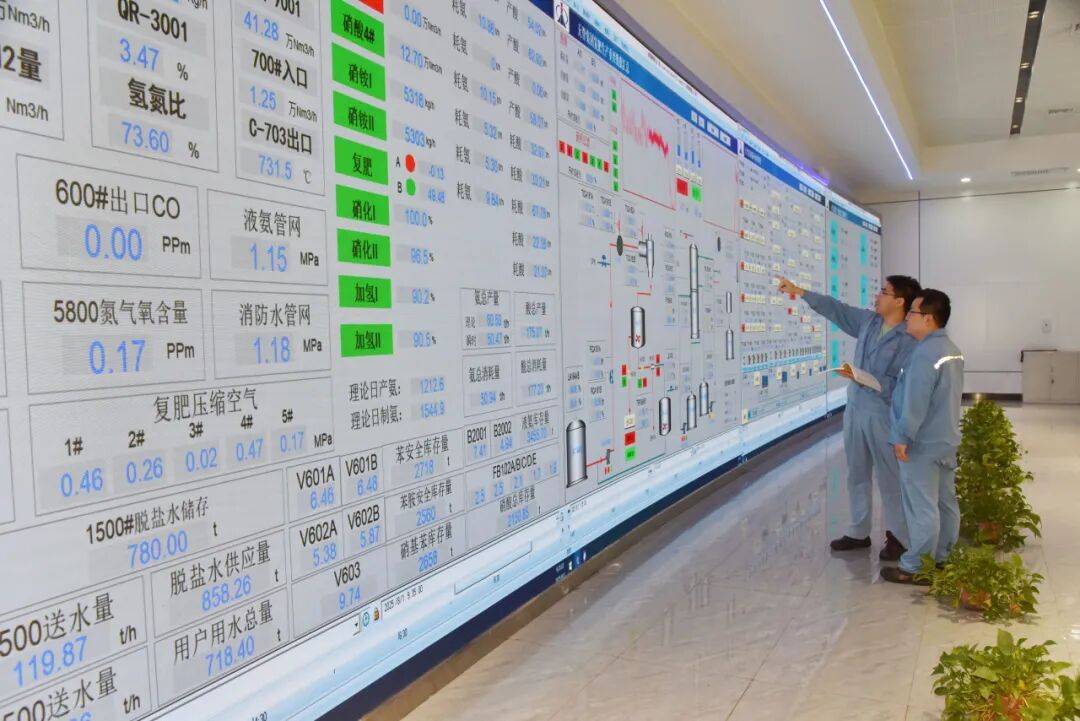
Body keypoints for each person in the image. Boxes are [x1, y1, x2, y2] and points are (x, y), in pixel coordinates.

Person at [778, 274, 921, 560]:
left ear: (899, 301)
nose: (877, 296)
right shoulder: (869, 322)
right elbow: (837, 310)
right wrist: (801, 292)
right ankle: (858, 531)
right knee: (856, 472)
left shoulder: (910, 338)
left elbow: (909, 382)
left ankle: (899, 537)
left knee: (890, 476)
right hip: (855, 408)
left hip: (883, 413)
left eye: (884, 292)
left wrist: (874, 382)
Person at [881, 290, 964, 584]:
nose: (907, 317)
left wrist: (902, 436)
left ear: (928, 319)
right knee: (945, 502)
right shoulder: (950, 349)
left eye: (912, 312)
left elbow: (916, 402)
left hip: (922, 444)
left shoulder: (924, 354)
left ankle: (917, 566)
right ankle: (943, 557)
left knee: (922, 506)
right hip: (944, 439)